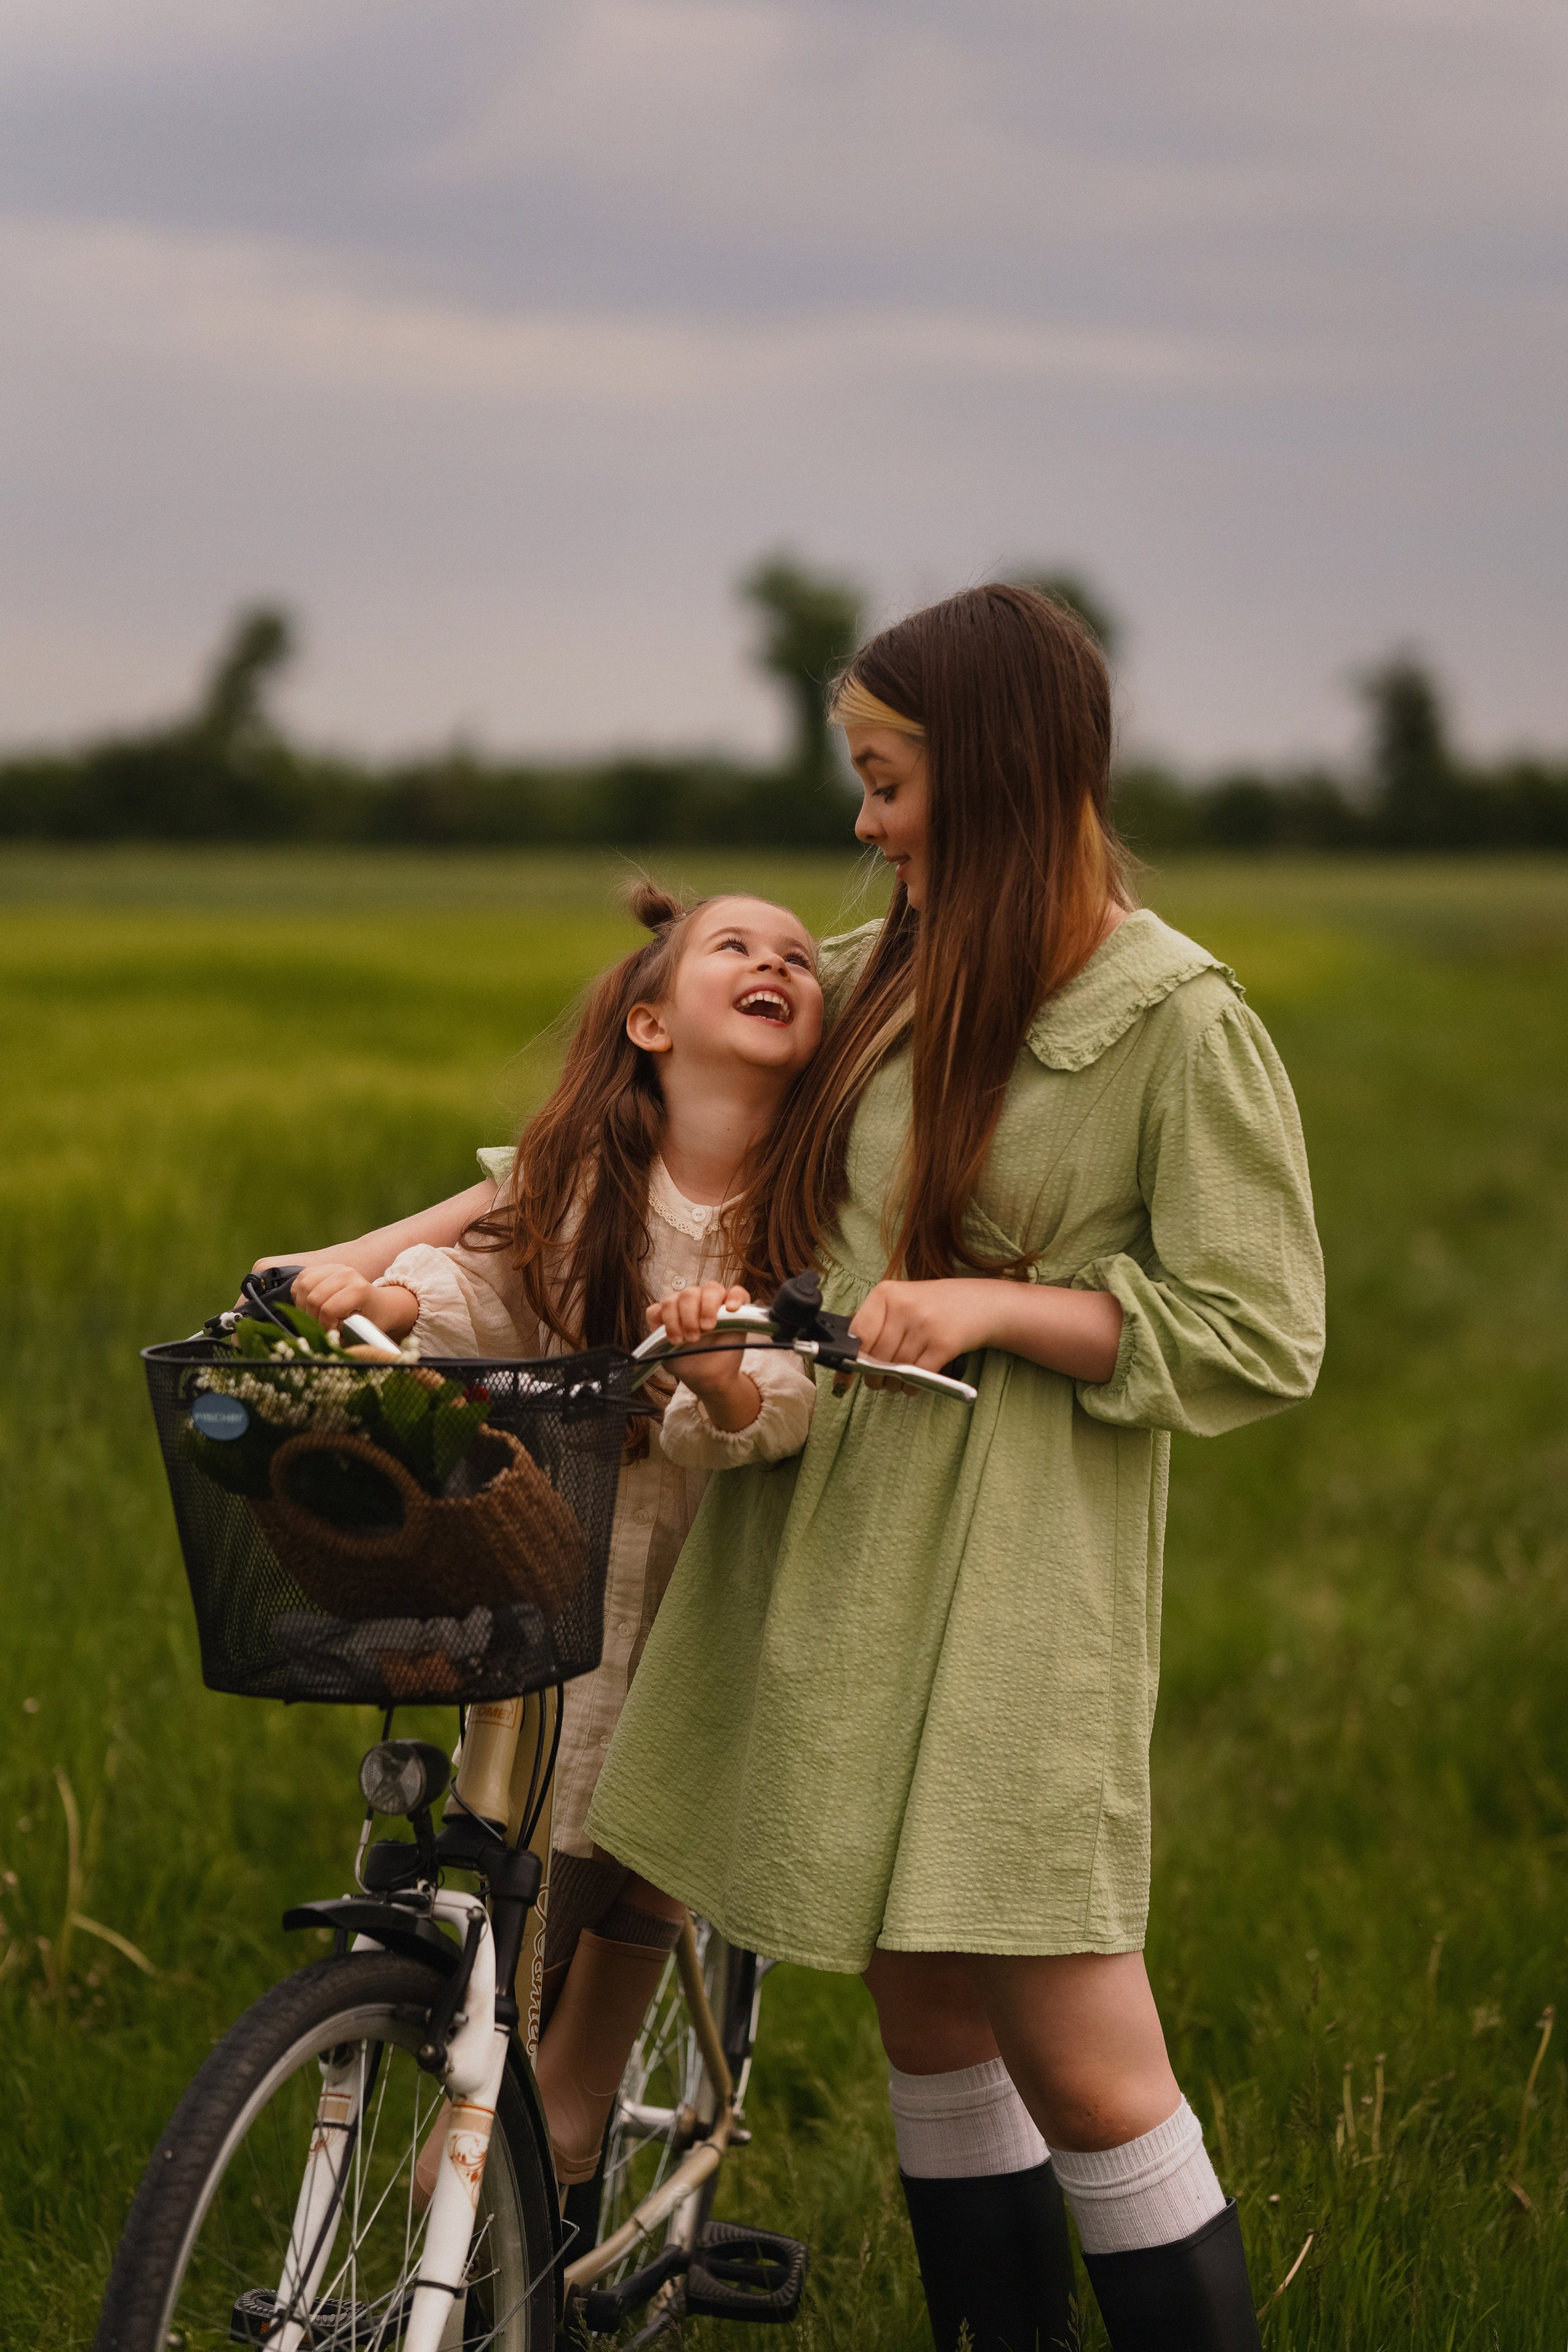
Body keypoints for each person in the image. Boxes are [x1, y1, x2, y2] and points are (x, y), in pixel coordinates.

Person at [586, 586, 1326, 2352]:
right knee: (924, 2006)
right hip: (832, 1555)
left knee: (1081, 2050)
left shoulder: (1174, 1017)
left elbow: (1260, 1331)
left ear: (994, 774)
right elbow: (638, 1113)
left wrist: (1001, 1302)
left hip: (1013, 1582)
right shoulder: (871, 983)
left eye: (890, 781)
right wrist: (396, 1253)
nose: (863, 825)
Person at [277, 883, 821, 2192]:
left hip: (712, 1574)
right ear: (647, 1022)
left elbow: (794, 1393)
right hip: (558, 1564)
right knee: (530, 1829)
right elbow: (490, 1284)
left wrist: (718, 1373)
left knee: (659, 1819)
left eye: (800, 958)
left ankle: (567, 2095)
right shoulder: (587, 1185)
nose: (776, 964)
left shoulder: (807, 1208)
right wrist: (395, 1297)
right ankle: (499, 2093)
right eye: (735, 949)